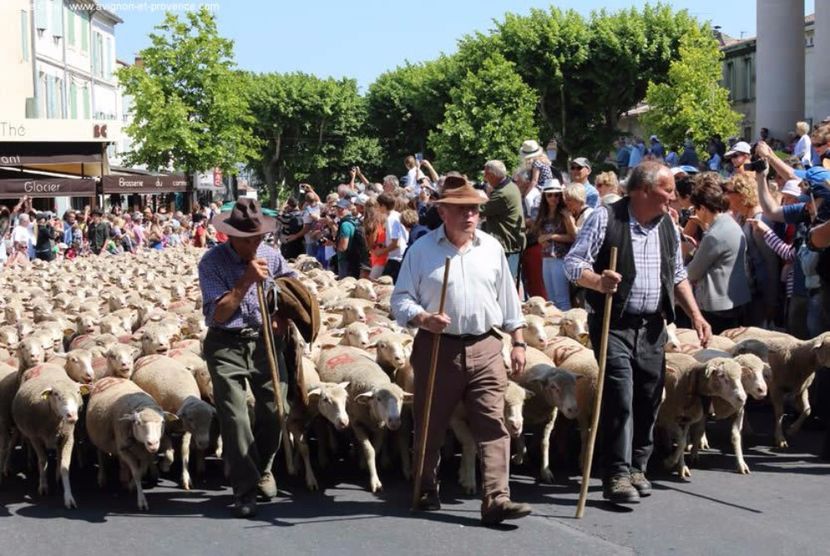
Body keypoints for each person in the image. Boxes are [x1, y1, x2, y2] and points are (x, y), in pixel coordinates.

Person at [564, 161, 711, 504]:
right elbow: (574, 264)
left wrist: (696, 315)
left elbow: (676, 275)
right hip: (614, 323)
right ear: (643, 190)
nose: (674, 198)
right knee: (620, 396)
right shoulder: (605, 218)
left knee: (649, 396)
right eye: (668, 191)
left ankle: (637, 467)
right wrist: (597, 281)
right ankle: (615, 472)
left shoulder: (668, 228)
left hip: (652, 326)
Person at [390, 175, 532, 526]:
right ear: (442, 211)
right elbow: (400, 299)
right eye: (462, 210)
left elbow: (509, 299)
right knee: (431, 422)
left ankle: (497, 498)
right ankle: (426, 486)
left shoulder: (492, 248)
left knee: (492, 422)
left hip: (485, 345)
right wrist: (422, 316)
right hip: (439, 347)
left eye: (475, 210)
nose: (470, 216)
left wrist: (518, 340)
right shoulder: (421, 251)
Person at [198, 198, 296, 518]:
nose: (256, 245)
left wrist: (284, 314)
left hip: (265, 339)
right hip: (226, 345)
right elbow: (218, 315)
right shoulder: (212, 263)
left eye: (259, 237)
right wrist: (245, 282)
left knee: (276, 409)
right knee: (236, 417)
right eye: (249, 240)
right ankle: (244, 488)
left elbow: (292, 287)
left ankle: (262, 467)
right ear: (231, 237)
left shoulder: (270, 254)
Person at [685, 174, 751, 333]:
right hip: (734, 300)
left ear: (702, 207)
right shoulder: (730, 224)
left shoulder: (714, 235)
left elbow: (692, 272)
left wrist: (689, 250)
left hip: (717, 306)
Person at [480, 160, 526, 282]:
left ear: (493, 175)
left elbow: (482, 210)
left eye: (486, 174)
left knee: (505, 284)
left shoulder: (502, 193)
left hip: (507, 246)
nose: (484, 177)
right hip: (509, 244)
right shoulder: (510, 186)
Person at [534, 179, 575, 309]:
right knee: (551, 298)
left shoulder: (564, 213)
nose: (553, 198)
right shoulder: (543, 214)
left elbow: (572, 237)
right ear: (544, 196)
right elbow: (539, 234)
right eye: (550, 195)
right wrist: (541, 239)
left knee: (562, 299)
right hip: (546, 257)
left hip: (560, 258)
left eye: (556, 194)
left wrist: (551, 236)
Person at [374, 192, 408, 281]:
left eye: (378, 205)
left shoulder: (391, 220)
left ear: (383, 206)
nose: (377, 208)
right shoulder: (397, 215)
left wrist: (381, 252)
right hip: (399, 256)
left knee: (384, 284)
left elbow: (396, 244)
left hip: (395, 259)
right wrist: (384, 243)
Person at [334, 197, 368, 279]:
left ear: (348, 209)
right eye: (337, 208)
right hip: (356, 259)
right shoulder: (355, 221)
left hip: (346, 260)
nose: (339, 211)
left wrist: (333, 244)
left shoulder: (345, 224)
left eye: (342, 209)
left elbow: (343, 247)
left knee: (344, 285)